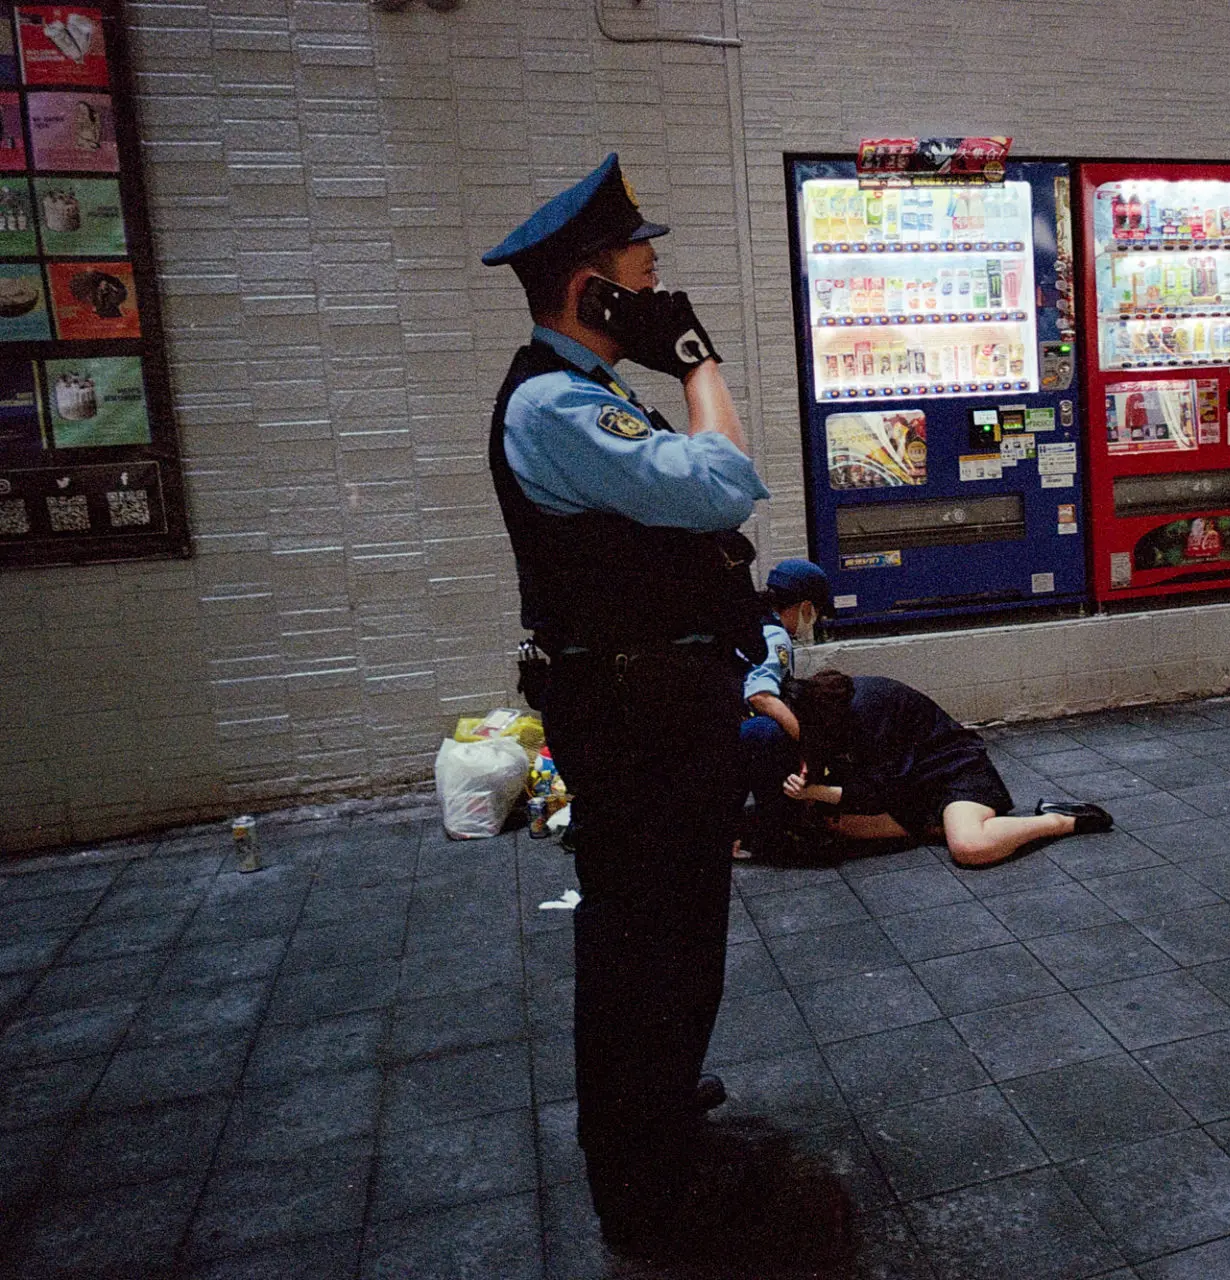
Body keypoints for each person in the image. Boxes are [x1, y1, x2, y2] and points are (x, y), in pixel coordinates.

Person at [481, 154, 779, 1263]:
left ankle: (654, 1112)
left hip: (655, 708)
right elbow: (723, 481)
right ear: (588, 288)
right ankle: (647, 1186)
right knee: (647, 944)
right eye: (637, 258)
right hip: (635, 717)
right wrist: (697, 361)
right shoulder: (558, 402)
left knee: (671, 930)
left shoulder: (588, 392)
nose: (657, 272)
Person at [780, 671, 1112, 868]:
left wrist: (818, 792)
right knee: (836, 824)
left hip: (954, 771)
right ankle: (936, 826)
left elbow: (876, 790)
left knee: (969, 848)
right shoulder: (828, 711)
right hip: (912, 786)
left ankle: (1059, 820)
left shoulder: (865, 710)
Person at [735, 558, 831, 859]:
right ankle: (777, 832)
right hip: (730, 733)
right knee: (772, 733)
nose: (814, 620)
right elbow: (760, 697)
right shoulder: (775, 636)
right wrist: (809, 743)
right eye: (815, 612)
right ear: (805, 607)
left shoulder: (752, 619)